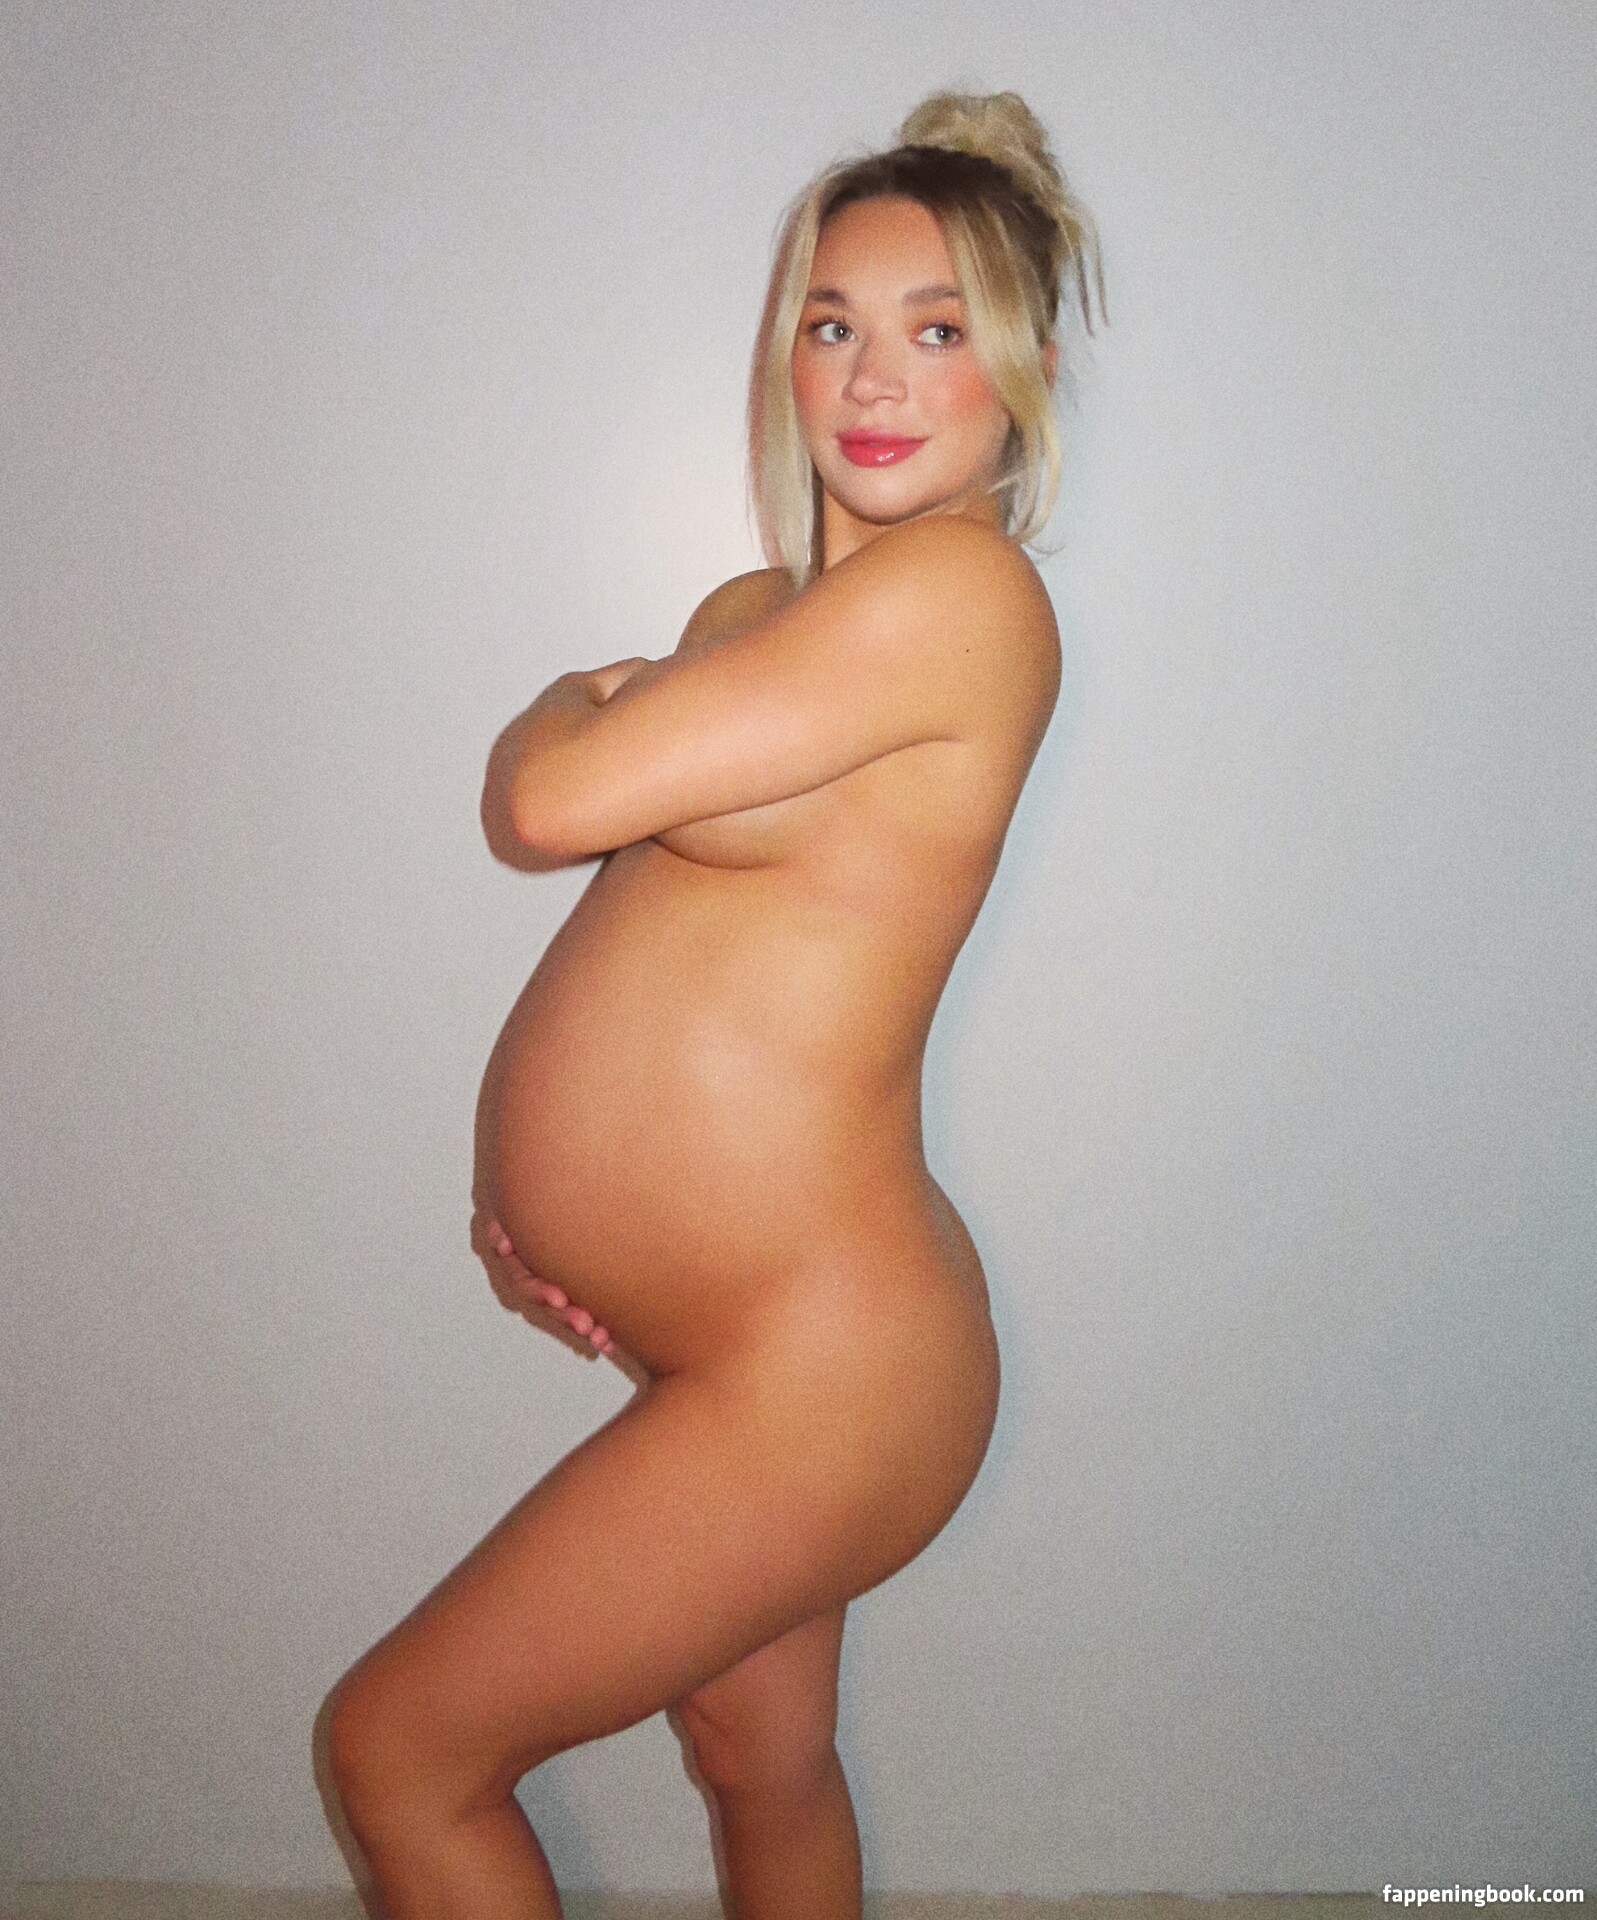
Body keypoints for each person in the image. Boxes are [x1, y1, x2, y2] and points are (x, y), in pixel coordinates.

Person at [320, 88, 1102, 1920]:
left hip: (828, 1370)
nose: (873, 376)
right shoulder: (753, 606)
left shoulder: (969, 593)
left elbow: (549, 801)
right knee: (758, 1756)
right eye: (832, 324)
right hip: (731, 1341)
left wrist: (570, 701)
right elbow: (651, 924)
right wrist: (540, 1204)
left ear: (1026, 372)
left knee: (399, 1753)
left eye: (936, 331)